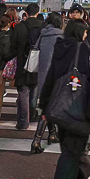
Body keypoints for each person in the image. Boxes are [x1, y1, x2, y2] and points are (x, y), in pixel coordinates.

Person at [40, 20, 90, 179]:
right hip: (76, 105)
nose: (86, 35)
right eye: (84, 32)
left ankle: (83, 177)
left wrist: (45, 105)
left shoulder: (60, 47)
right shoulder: (82, 49)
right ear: (79, 32)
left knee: (69, 147)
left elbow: (51, 76)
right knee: (72, 152)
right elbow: (89, 79)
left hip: (59, 105)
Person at [11, 2, 43, 130]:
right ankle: (32, 114)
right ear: (37, 13)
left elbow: (13, 44)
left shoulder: (19, 27)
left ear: (26, 13)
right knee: (34, 90)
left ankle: (23, 122)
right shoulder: (43, 26)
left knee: (23, 92)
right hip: (37, 62)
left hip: (22, 61)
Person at [35, 12, 65, 144]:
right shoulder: (61, 35)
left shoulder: (43, 34)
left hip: (42, 74)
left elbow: (36, 48)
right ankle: (36, 140)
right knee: (50, 107)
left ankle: (52, 134)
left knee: (47, 105)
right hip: (55, 75)